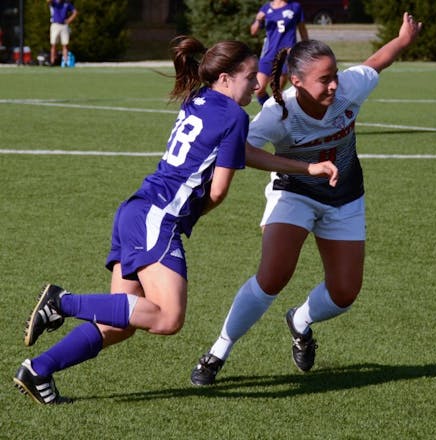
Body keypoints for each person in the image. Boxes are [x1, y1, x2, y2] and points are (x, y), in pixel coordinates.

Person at [12, 36, 337, 405]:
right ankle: (62, 302)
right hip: (158, 219)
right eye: (249, 76)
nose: (258, 83)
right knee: (167, 318)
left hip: (136, 210)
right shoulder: (234, 115)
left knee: (120, 323)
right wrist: (180, 222)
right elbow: (217, 192)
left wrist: (306, 167)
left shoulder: (199, 98)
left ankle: (38, 370)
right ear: (227, 78)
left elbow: (241, 152)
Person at [190, 12, 423, 385]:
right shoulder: (278, 113)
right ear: (296, 82)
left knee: (345, 292)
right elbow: (241, 150)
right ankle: (218, 351)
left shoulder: (349, 87)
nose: (334, 85)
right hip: (294, 194)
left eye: (335, 75)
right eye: (324, 79)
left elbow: (377, 61)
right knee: (273, 275)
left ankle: (300, 320)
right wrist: (302, 169)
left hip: (344, 198)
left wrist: (404, 39)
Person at [250, 0, 309, 104]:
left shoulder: (295, 7)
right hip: (268, 54)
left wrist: (307, 49)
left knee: (276, 92)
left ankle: (277, 115)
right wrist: (258, 20)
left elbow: (302, 29)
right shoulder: (266, 8)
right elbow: (253, 31)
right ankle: (270, 110)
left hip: (286, 55)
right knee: (259, 90)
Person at [47, 0, 77, 66]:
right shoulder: (54, 2)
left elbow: (75, 12)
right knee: (53, 44)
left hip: (64, 25)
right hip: (55, 25)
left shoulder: (67, 3)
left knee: (65, 45)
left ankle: (65, 62)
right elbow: (48, 1)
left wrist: (69, 20)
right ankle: (52, 61)